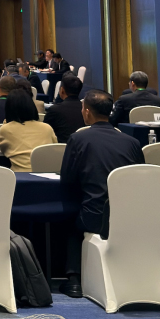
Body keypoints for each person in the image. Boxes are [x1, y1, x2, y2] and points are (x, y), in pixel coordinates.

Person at [59, 89, 144, 298]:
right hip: (129, 218)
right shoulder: (132, 142)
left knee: (70, 218)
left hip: (94, 217)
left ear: (87, 112)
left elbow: (67, 179)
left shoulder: (78, 139)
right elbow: (140, 178)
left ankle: (74, 280)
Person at [0, 89, 57, 171]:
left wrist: (6, 123)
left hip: (20, 175)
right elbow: (54, 148)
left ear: (8, 109)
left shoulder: (6, 129)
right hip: (46, 174)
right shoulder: (47, 128)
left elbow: (1, 148)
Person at [44, 74, 85, 143]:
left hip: (59, 148)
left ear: (62, 90)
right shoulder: (87, 110)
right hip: (82, 147)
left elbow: (45, 132)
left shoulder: (54, 110)